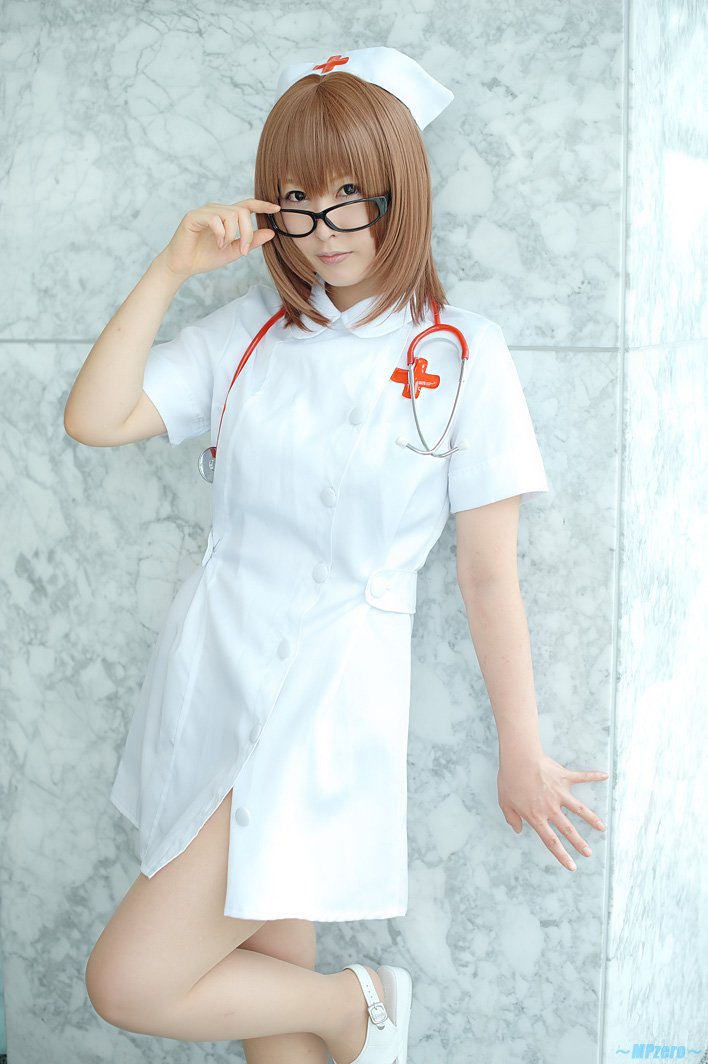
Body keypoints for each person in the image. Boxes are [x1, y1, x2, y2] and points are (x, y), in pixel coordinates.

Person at [63, 46, 609, 1064]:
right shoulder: (248, 334)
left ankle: (356, 1007)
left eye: (352, 194)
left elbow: (487, 572)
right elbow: (95, 417)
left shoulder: (462, 352)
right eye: (300, 199)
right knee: (269, 1008)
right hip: (214, 670)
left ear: (403, 190)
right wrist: (172, 267)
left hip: (322, 700)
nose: (326, 227)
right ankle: (336, 1011)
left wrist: (522, 747)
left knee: (127, 980)